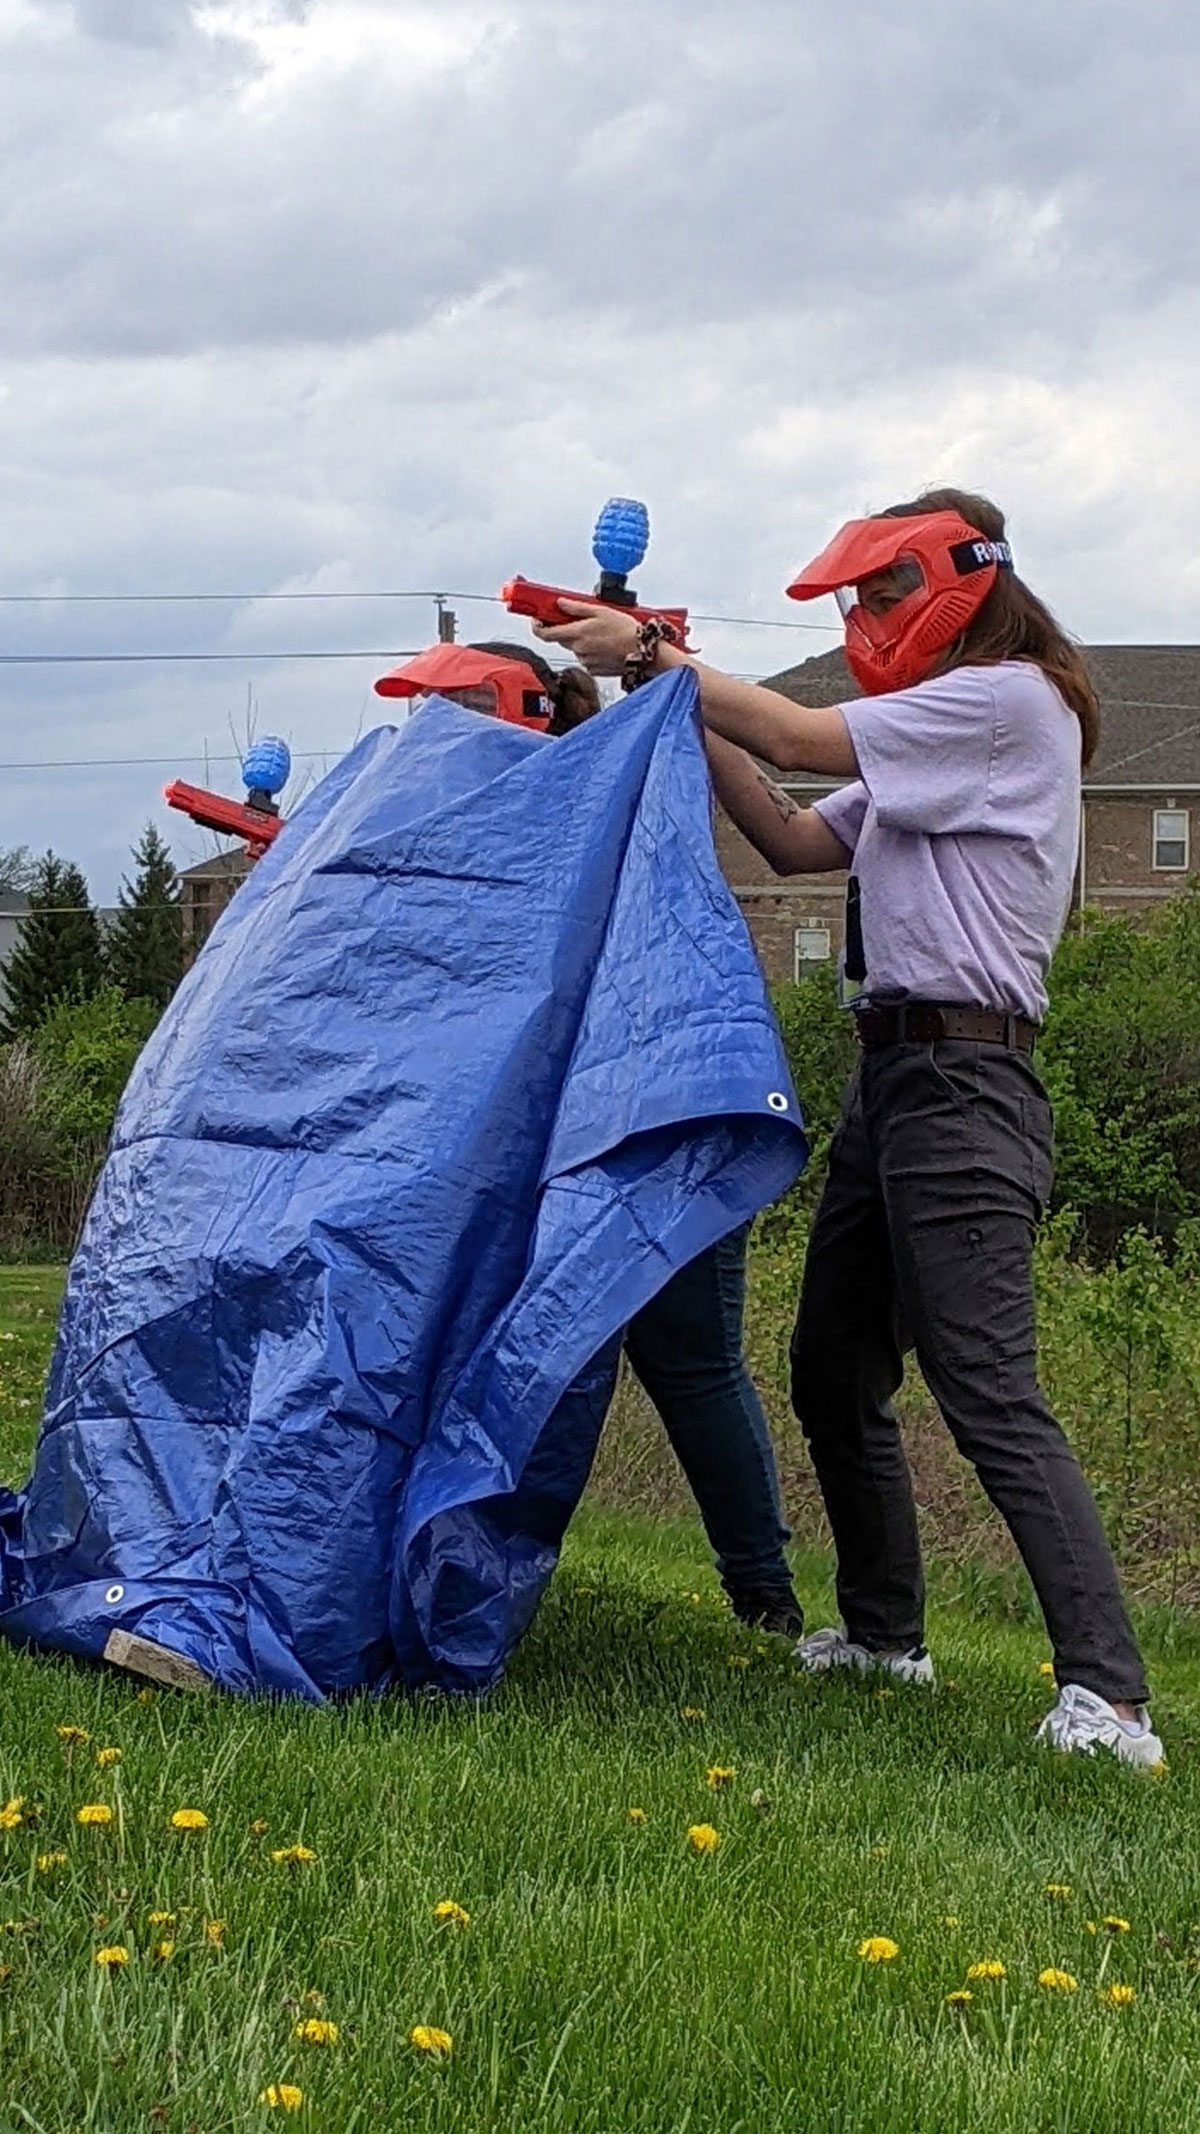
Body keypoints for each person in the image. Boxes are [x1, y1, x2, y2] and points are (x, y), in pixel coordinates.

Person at [532, 486, 1163, 1768]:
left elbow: (805, 734)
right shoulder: (934, 743)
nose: (869, 618)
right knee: (830, 1367)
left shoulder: (1006, 700)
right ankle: (885, 1636)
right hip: (897, 1081)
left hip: (971, 1080)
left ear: (957, 584)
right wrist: (670, 694)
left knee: (987, 1385)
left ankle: (1114, 1699)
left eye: (881, 595)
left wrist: (663, 657)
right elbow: (785, 830)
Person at [373, 637, 803, 1635]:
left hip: (658, 1117)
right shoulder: (494, 832)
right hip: (580, 1121)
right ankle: (450, 1554)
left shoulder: (606, 807)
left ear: (506, 716)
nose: (421, 744)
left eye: (443, 717)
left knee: (685, 1356)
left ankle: (763, 1597)